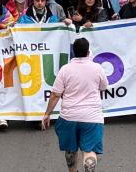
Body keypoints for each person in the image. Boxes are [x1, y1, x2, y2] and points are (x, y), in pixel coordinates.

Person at [41, 37, 107, 172]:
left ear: (73, 52)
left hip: (69, 117)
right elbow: (103, 87)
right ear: (88, 52)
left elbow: (55, 95)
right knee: (89, 151)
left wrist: (47, 114)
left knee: (70, 150)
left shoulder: (65, 70)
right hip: (92, 117)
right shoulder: (97, 68)